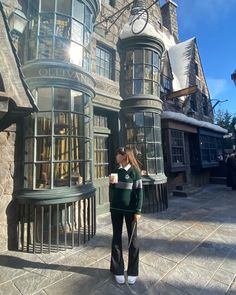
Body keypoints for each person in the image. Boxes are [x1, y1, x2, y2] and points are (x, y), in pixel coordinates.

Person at [109, 147, 143, 285]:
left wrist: (138, 211)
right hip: (116, 209)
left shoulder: (135, 172)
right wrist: (111, 184)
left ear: (125, 156)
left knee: (133, 240)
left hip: (131, 211)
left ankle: (133, 271)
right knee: (116, 238)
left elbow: (139, 192)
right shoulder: (116, 171)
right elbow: (113, 191)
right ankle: (117, 270)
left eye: (118, 154)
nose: (116, 156)